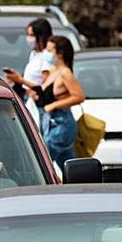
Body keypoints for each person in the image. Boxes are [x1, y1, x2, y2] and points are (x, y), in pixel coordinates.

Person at [34, 35, 86, 164]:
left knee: (41, 162)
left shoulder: (65, 73)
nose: (46, 53)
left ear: (60, 53)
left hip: (62, 123)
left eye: (50, 50)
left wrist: (54, 105)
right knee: (70, 166)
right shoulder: (52, 71)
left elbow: (79, 96)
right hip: (50, 123)